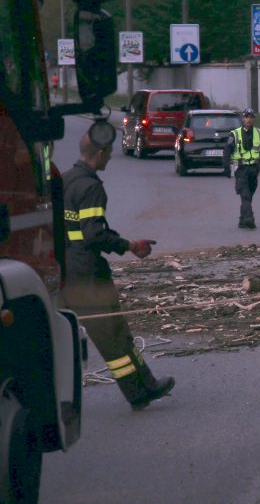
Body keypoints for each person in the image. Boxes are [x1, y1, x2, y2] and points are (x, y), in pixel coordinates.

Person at [61, 127, 174, 411]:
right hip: (88, 277)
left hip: (68, 272)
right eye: (109, 153)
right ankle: (139, 392)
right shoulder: (91, 188)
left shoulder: (64, 180)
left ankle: (145, 385)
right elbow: (94, 234)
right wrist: (129, 245)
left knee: (116, 332)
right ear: (99, 153)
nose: (110, 158)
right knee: (113, 335)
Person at [223, 108, 260, 229]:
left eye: (251, 117)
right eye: (246, 117)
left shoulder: (258, 133)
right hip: (240, 169)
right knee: (245, 195)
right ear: (243, 119)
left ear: (254, 119)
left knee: (249, 194)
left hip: (254, 169)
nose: (249, 120)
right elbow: (227, 151)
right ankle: (249, 219)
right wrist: (226, 167)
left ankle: (242, 220)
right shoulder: (234, 134)